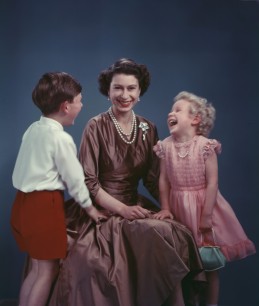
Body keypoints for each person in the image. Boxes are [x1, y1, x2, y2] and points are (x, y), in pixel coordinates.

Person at [48, 59, 205, 306]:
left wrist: (177, 204)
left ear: (139, 91)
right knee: (146, 237)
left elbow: (154, 179)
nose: (125, 95)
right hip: (102, 209)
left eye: (131, 88)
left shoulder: (148, 127)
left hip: (135, 204)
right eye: (118, 88)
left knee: (174, 232)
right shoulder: (95, 126)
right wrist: (123, 210)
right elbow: (88, 182)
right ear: (108, 91)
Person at [10, 72, 107, 306]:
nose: (81, 105)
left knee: (36, 269)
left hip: (22, 204)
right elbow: (75, 179)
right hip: (44, 206)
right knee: (47, 271)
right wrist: (91, 210)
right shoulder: (60, 139)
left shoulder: (33, 129)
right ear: (66, 106)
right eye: (79, 101)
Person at [153, 91, 256, 306]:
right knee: (182, 262)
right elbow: (163, 181)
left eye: (178, 110)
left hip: (203, 208)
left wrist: (206, 215)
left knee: (209, 264)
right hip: (178, 208)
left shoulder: (205, 146)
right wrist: (165, 207)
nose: (171, 113)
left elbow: (212, 183)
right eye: (171, 110)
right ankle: (188, 301)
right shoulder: (165, 146)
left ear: (195, 119)